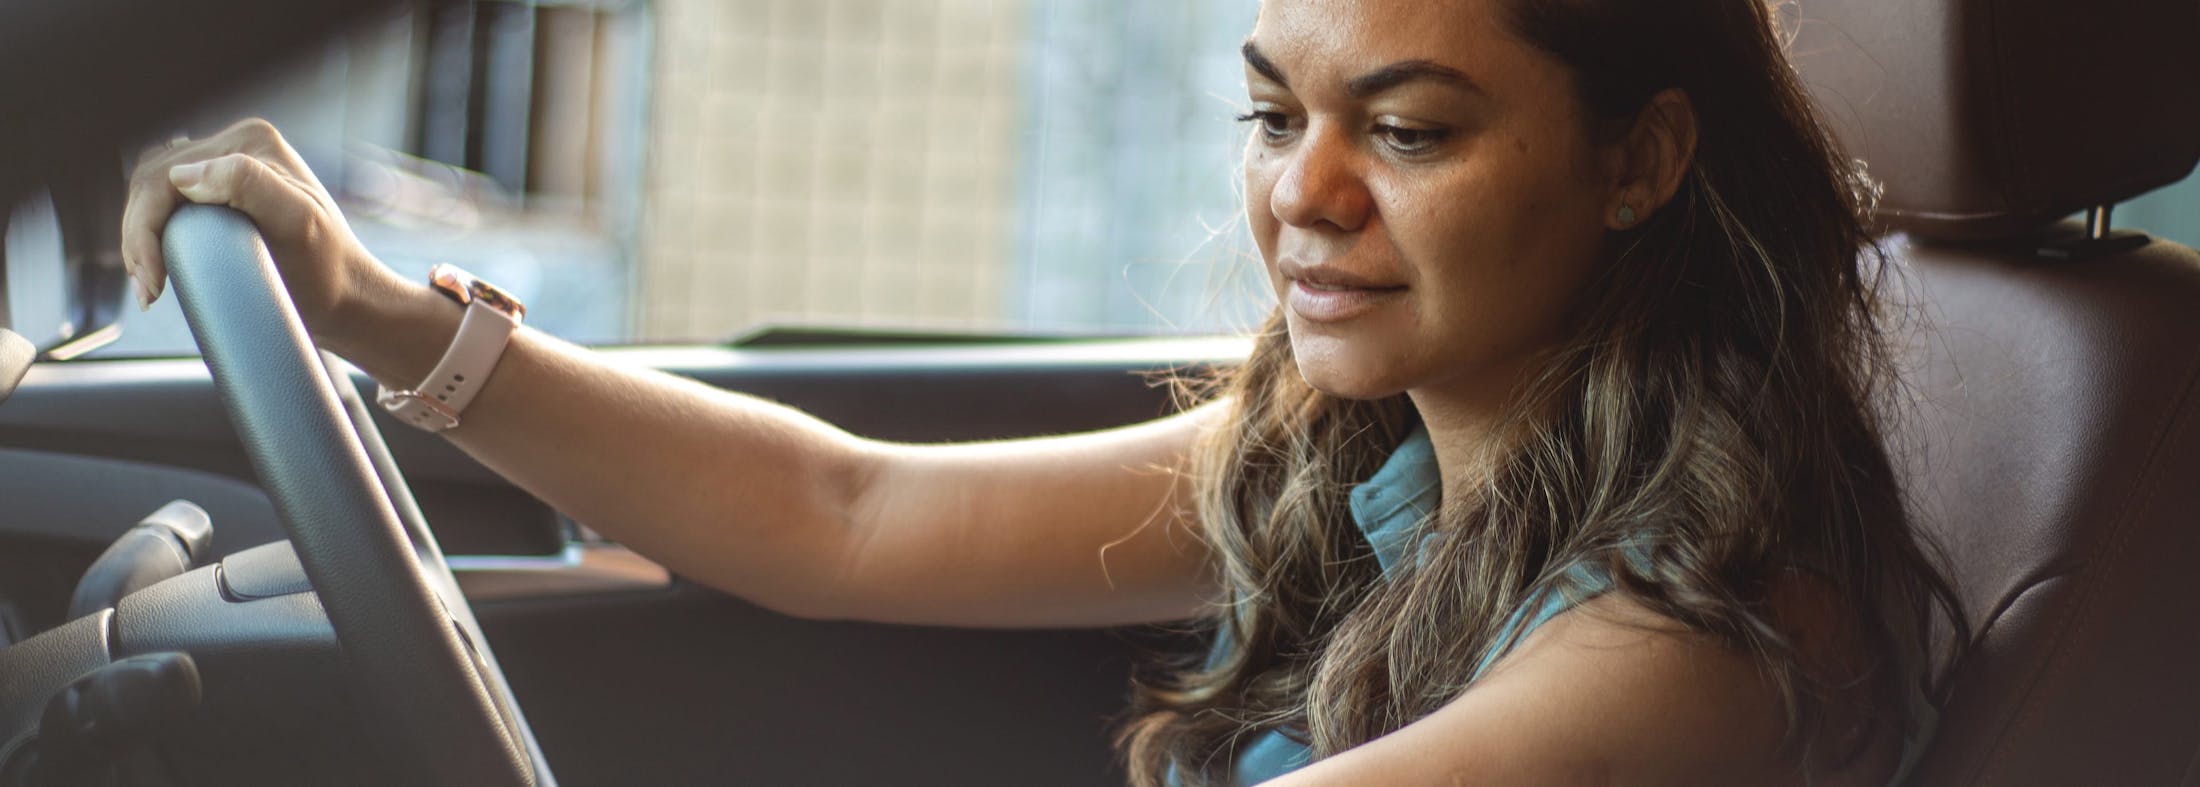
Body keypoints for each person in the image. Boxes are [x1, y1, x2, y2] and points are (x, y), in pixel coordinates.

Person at [120, 0, 1965, 784]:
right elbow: (848, 515)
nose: (1301, 197)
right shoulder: (1400, 452)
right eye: (1272, 113)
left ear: (1639, 160)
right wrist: (370, 310)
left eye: (1406, 131)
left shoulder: (1688, 644)